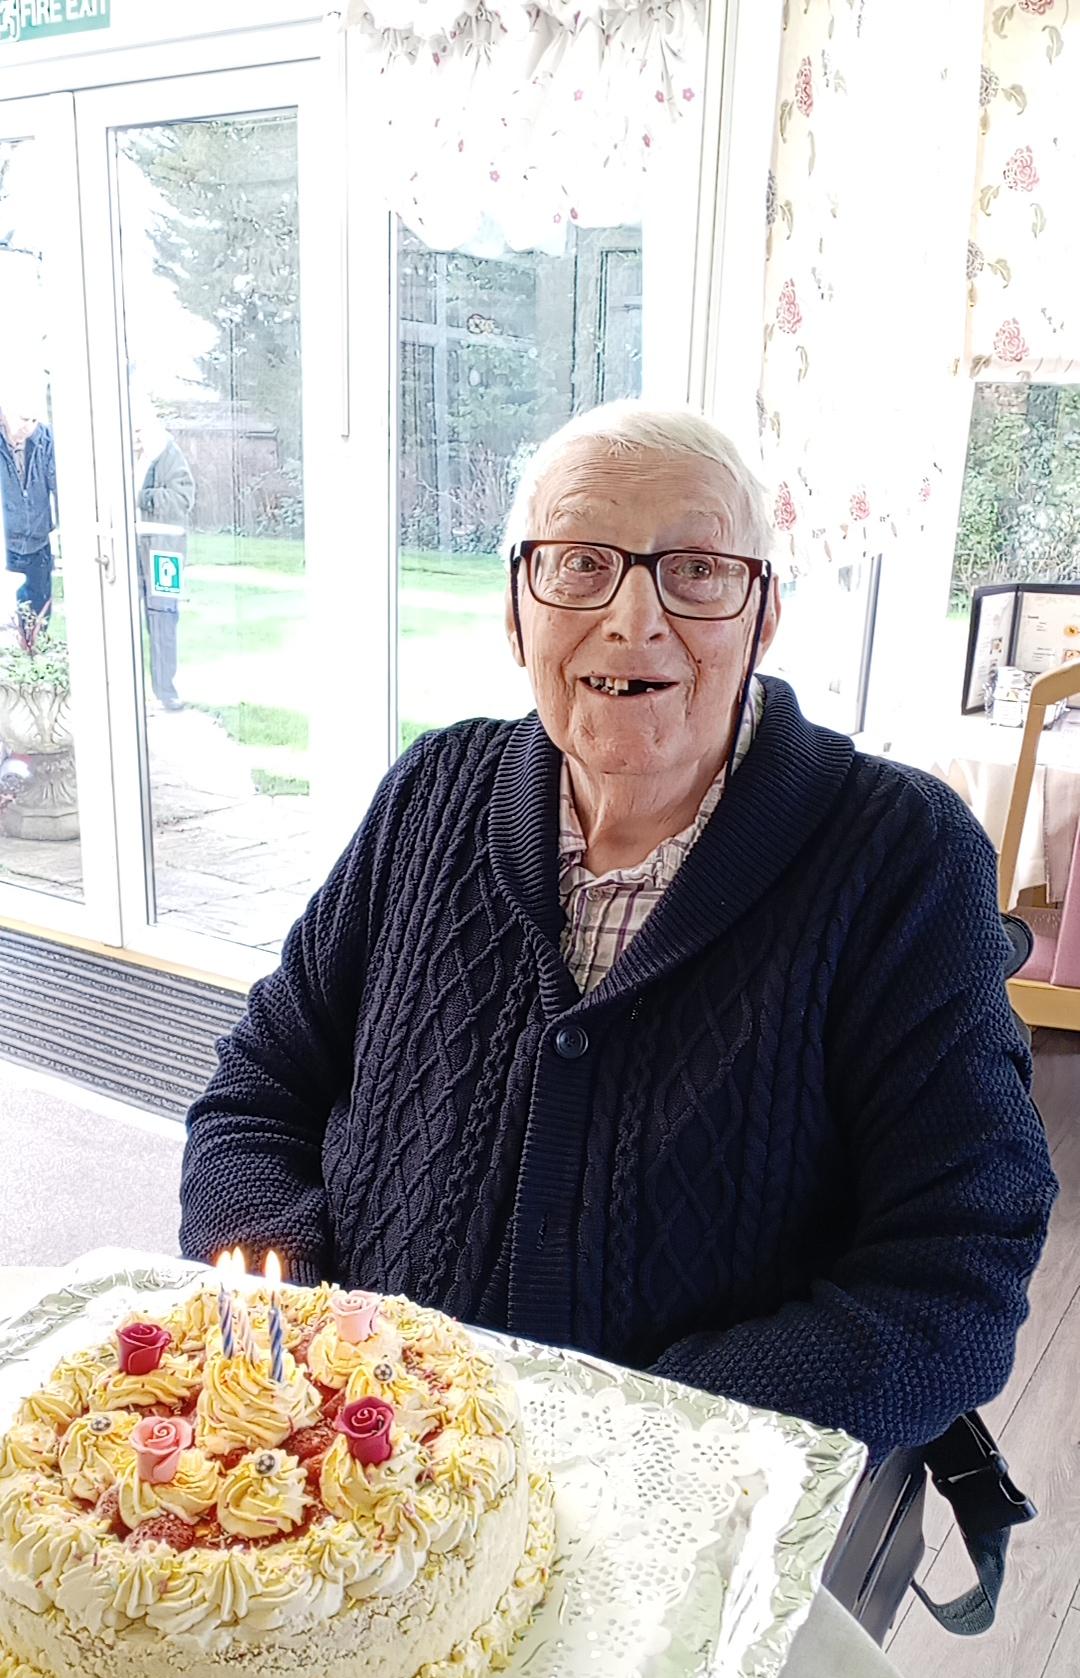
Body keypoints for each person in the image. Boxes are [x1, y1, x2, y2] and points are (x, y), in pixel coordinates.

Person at [179, 402, 1058, 1463]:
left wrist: (636, 1434)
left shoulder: (900, 857)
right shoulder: (431, 794)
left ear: (762, 614)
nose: (635, 620)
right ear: (516, 609)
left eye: (695, 569)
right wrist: (298, 1321)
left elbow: (955, 1271)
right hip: (355, 1466)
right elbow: (259, 1087)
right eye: (580, 563)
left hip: (680, 1505)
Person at [133, 407, 195, 711]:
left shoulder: (169, 455)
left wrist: (142, 498)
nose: (135, 438)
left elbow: (183, 499)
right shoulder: (124, 456)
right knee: (128, 619)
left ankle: (166, 691)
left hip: (165, 554)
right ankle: (133, 689)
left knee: (164, 621)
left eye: (138, 431)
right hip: (132, 552)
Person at [0, 395, 57, 617]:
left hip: (38, 543)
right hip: (6, 546)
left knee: (40, 616)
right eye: (23, 419)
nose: (29, 427)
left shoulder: (44, 440)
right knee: (10, 620)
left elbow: (60, 486)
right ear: (5, 414)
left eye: (34, 420)